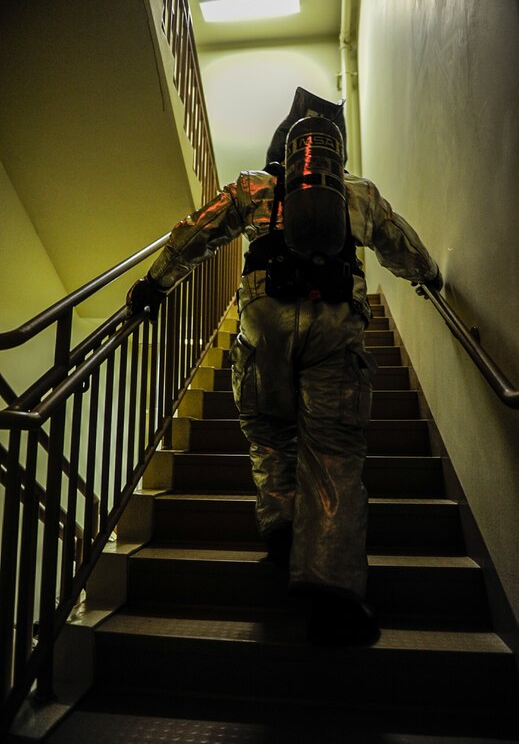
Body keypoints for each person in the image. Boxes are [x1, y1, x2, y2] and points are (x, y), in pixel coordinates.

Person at [127, 87, 442, 647]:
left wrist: (155, 283)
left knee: (270, 431)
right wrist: (430, 276)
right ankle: (332, 592)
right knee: (334, 451)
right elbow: (400, 243)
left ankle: (281, 531)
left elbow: (199, 230)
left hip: (263, 319)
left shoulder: (254, 186)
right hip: (336, 324)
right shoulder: (357, 193)